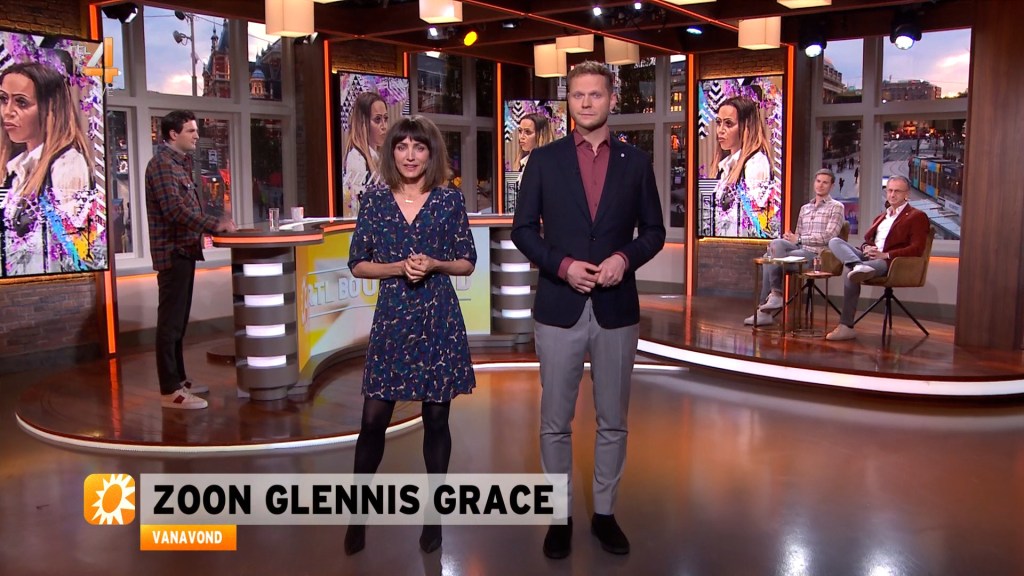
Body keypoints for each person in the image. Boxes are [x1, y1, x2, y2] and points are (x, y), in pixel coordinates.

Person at [511, 61, 665, 559]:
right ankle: (559, 517)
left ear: (611, 100)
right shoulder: (543, 161)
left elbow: (654, 231)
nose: (586, 102)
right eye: (577, 95)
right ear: (569, 102)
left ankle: (604, 514)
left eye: (595, 94)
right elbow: (522, 231)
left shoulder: (635, 163)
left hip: (616, 309)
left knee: (612, 420)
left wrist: (624, 258)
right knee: (555, 421)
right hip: (559, 306)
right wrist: (563, 265)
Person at [343, 115, 476, 556]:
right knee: (372, 421)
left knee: (436, 420)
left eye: (419, 147)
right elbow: (358, 263)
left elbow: (467, 261)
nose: (410, 155)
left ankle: (433, 517)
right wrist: (398, 268)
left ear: (431, 153)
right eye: (402, 147)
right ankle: (357, 516)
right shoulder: (375, 201)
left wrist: (436, 264)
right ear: (392, 152)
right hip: (393, 318)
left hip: (438, 317)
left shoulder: (449, 200)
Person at [145, 110, 236, 409]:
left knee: (178, 323)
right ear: (173, 134)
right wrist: (213, 225)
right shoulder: (162, 165)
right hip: (172, 253)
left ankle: (180, 380)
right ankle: (169, 390)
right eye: (191, 130)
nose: (197, 135)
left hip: (185, 251)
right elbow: (174, 210)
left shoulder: (179, 164)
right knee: (170, 323)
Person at [0, 61, 102, 276]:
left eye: (21, 102)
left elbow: (77, 250)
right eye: (3, 99)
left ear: (51, 108)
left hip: (51, 284)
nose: (7, 112)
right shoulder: (17, 168)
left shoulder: (67, 165)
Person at [825, 175, 930, 341]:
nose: (892, 194)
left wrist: (886, 254)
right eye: (890, 190)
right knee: (835, 241)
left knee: (849, 272)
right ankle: (857, 264)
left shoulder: (916, 216)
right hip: (869, 258)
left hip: (889, 262)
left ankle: (846, 326)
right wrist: (867, 248)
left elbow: (917, 249)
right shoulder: (882, 216)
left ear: (906, 194)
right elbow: (868, 241)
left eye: (897, 191)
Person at [745, 169, 845, 326]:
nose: (820, 185)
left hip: (818, 256)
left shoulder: (836, 207)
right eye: (818, 181)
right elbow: (797, 236)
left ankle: (766, 309)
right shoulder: (805, 208)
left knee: (767, 260)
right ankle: (775, 295)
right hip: (799, 250)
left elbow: (829, 237)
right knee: (776, 244)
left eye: (825, 182)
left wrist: (798, 239)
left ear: (831, 186)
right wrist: (791, 238)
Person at [712, 95, 774, 237]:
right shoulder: (725, 166)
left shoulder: (756, 164)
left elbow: (757, 223)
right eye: (719, 123)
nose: (720, 130)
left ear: (746, 126)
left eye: (728, 124)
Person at [342, 91, 388, 217]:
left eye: (385, 118)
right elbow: (356, 208)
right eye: (377, 120)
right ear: (363, 122)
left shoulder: (379, 157)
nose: (384, 126)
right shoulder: (356, 158)